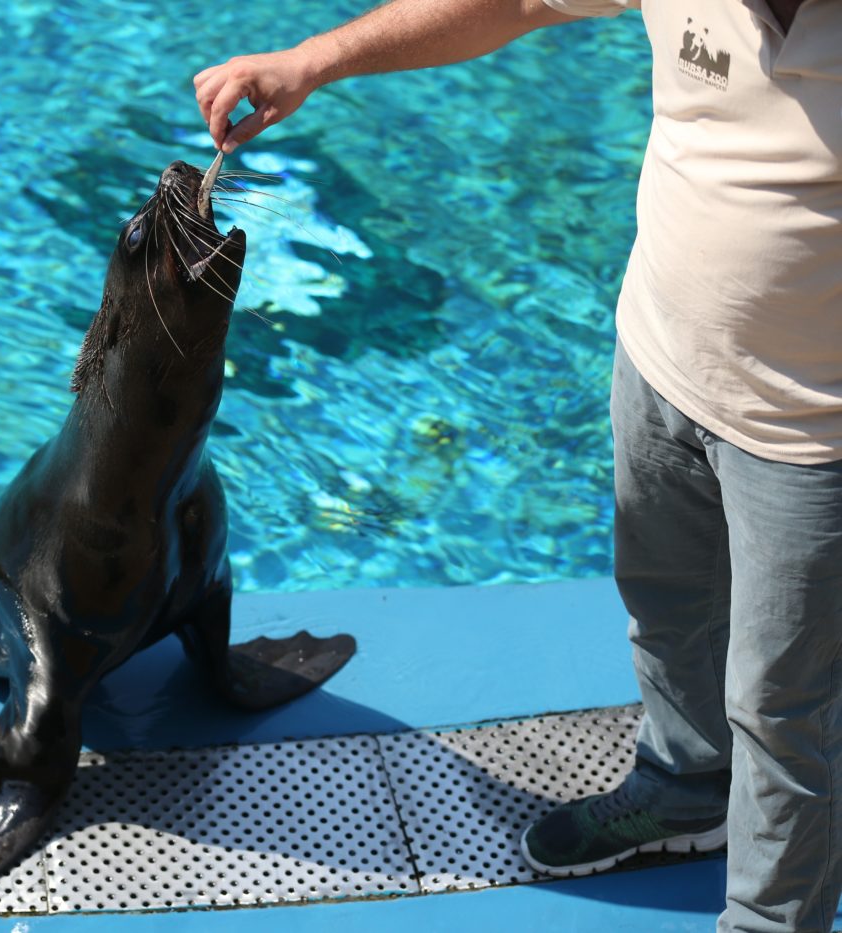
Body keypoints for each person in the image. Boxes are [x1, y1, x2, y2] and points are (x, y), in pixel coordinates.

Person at [192, 1, 842, 931]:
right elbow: (522, 1)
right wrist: (314, 60)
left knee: (786, 715)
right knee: (669, 616)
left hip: (814, 438)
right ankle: (687, 784)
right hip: (659, 363)